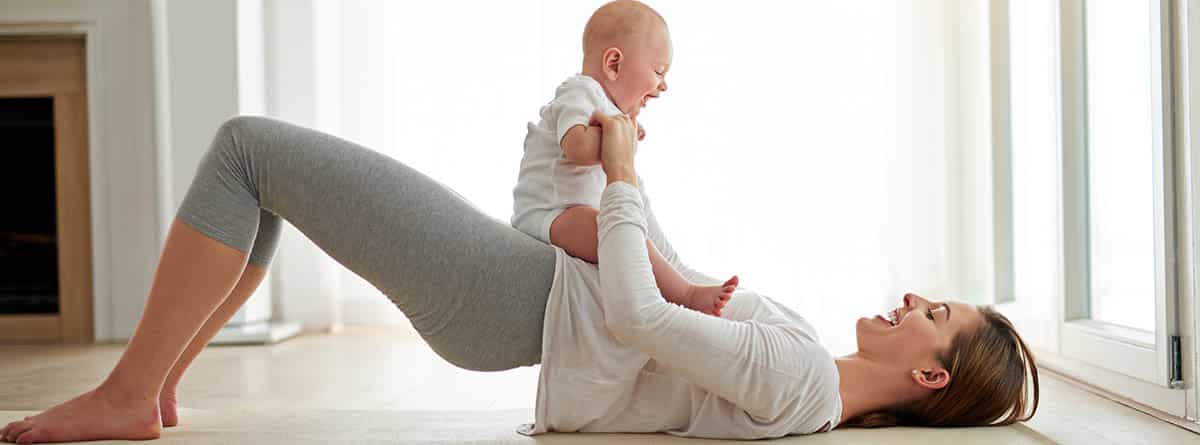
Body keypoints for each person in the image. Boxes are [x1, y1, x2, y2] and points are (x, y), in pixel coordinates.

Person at [0, 112, 1038, 444]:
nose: (912, 300)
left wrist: (623, 169)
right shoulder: (804, 353)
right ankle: (159, 384)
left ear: (935, 377)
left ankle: (132, 393)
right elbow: (656, 285)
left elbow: (634, 313)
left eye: (932, 315)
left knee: (245, 151)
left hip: (512, 300)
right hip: (530, 289)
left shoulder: (804, 384)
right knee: (264, 176)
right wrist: (606, 174)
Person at [512, 0, 738, 316]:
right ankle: (684, 293)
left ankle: (679, 287)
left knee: (628, 228)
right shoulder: (580, 91)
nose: (663, 86)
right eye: (658, 71)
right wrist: (619, 137)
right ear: (614, 64)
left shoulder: (607, 106)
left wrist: (623, 129)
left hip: (571, 212)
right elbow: (575, 146)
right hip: (547, 214)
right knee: (620, 231)